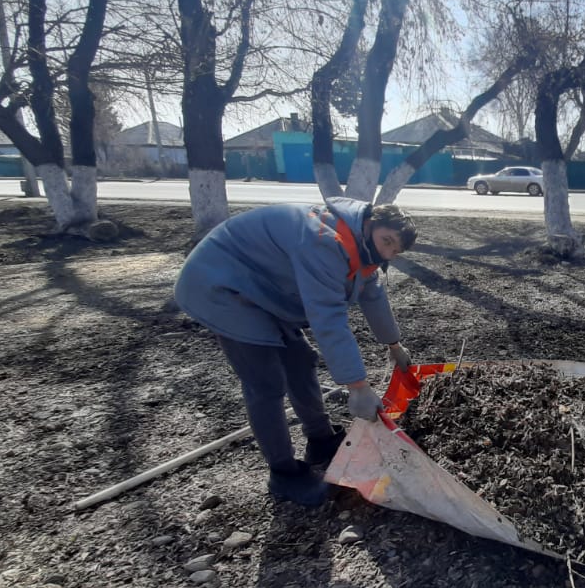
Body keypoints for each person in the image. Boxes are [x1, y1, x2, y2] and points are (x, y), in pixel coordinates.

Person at [174, 199, 418, 507]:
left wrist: (394, 345)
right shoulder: (324, 241)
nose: (387, 253)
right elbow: (328, 319)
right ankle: (284, 474)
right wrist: (358, 387)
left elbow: (374, 296)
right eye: (386, 241)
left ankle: (320, 440)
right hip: (220, 284)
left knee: (301, 361)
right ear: (369, 223)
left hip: (265, 288)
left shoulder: (363, 247)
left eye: (395, 250)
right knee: (265, 382)